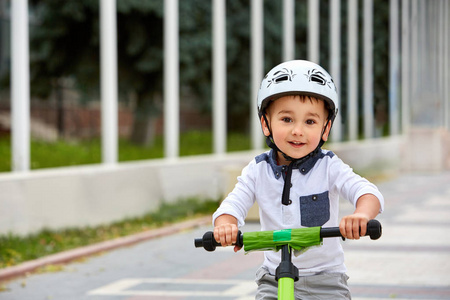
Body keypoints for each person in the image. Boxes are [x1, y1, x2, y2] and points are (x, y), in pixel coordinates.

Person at [212, 60, 384, 299]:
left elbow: (366, 192)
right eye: (287, 119)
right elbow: (233, 204)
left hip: (326, 280)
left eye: (310, 121)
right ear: (265, 123)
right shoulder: (257, 170)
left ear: (326, 129)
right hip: (273, 279)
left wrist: (361, 215)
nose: (298, 131)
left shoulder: (329, 166)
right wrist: (225, 225)